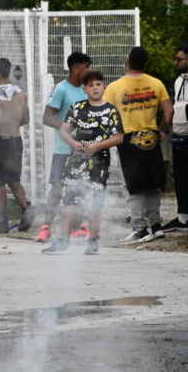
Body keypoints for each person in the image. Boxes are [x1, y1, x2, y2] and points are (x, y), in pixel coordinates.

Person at [42, 70, 124, 255]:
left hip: (99, 164)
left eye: (98, 84)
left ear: (103, 86)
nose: (95, 88)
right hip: (75, 161)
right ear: (84, 89)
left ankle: (93, 241)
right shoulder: (77, 107)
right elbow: (64, 131)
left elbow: (119, 137)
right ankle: (63, 241)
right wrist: (73, 143)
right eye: (90, 85)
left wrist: (97, 146)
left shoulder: (110, 110)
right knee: (68, 200)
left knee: (95, 202)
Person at [103, 46, 173, 244]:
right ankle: (157, 226)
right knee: (152, 185)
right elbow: (168, 111)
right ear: (146, 63)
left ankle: (140, 229)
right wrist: (163, 130)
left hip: (128, 138)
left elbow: (106, 113)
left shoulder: (115, 87)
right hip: (150, 136)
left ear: (128, 61)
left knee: (135, 186)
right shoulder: (156, 83)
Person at [40, 52, 93, 242]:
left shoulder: (87, 89)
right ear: (76, 68)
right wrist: (66, 127)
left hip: (82, 150)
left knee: (79, 188)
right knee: (57, 188)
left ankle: (77, 227)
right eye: (88, 67)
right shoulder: (60, 89)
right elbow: (47, 117)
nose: (91, 71)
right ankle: (45, 228)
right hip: (63, 149)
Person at [0, 58, 32, 234]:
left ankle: (1, 222)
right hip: (16, 141)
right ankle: (26, 210)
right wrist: (12, 124)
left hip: (1, 142)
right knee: (14, 180)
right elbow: (26, 119)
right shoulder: (21, 93)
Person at [161, 45, 188, 232]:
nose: (176, 62)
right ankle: (182, 217)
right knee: (180, 177)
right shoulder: (179, 80)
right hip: (179, 133)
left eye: (180, 59)